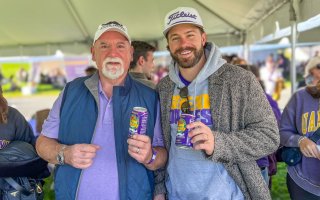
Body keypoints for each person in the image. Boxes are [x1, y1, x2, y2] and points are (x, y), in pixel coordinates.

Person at [156, 7, 279, 199]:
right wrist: (160, 188)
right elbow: (161, 142)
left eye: (190, 35)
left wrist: (218, 143)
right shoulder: (163, 88)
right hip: (176, 194)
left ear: (203, 38)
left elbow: (269, 136)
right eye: (175, 38)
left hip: (228, 194)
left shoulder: (239, 80)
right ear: (168, 46)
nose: (184, 44)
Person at [35, 21, 167, 200]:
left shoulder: (150, 96)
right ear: (93, 54)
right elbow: (42, 143)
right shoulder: (71, 91)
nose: (112, 53)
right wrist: (64, 154)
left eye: (120, 46)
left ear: (130, 54)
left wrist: (150, 156)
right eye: (104, 46)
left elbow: (163, 154)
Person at [280, 56, 320, 199]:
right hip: (302, 180)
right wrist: (300, 141)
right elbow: (282, 132)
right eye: (312, 77)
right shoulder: (300, 97)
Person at [237, 64, 281, 188]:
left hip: (257, 162)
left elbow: (275, 130)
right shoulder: (229, 102)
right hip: (237, 164)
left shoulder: (265, 99)